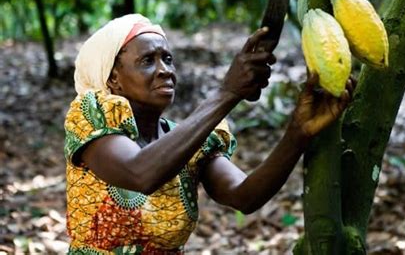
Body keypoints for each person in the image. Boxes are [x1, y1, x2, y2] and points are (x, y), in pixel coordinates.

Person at [64, 14, 355, 254]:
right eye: (148, 61)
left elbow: (244, 196)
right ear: (113, 77)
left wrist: (298, 132)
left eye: (168, 59)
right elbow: (141, 173)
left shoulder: (191, 139)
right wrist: (227, 93)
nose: (165, 70)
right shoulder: (91, 116)